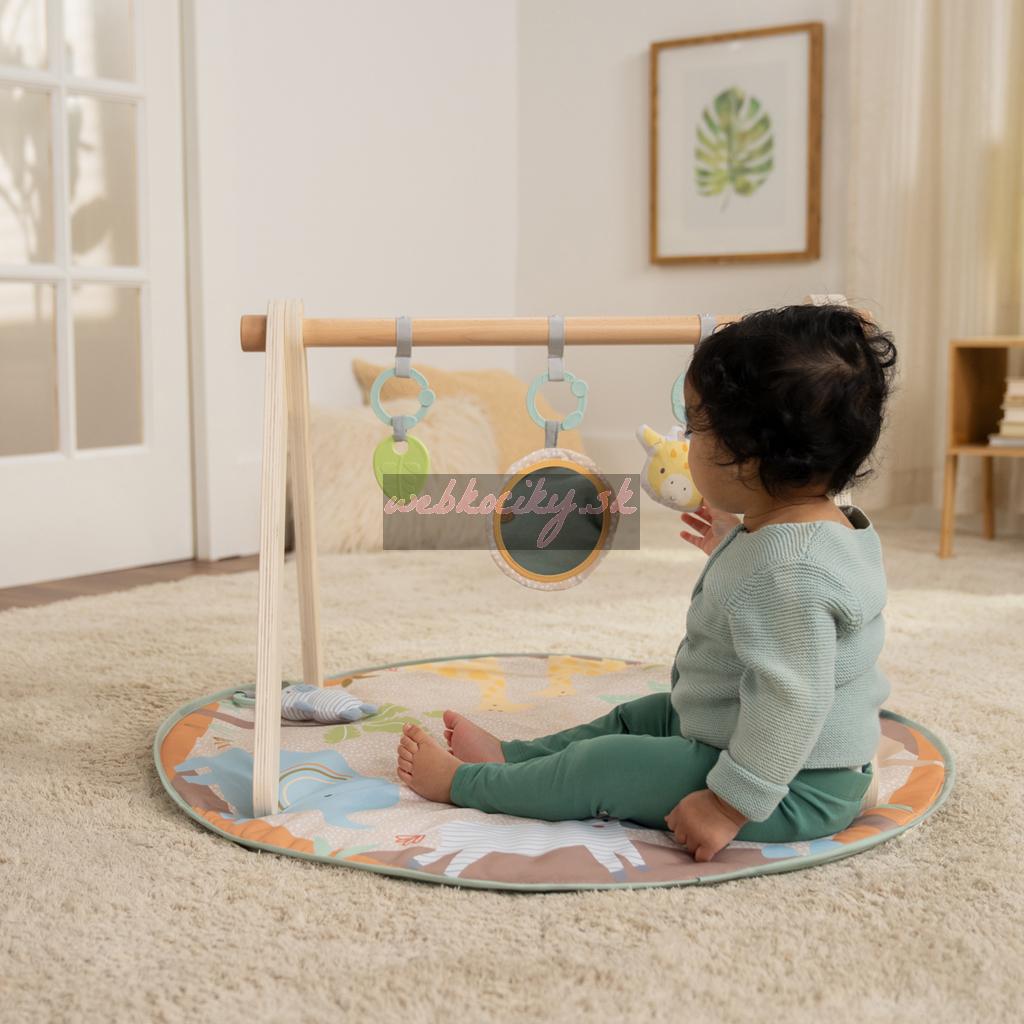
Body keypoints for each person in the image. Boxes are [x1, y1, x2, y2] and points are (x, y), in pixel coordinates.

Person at [395, 304, 898, 862]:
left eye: (696, 429)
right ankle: (512, 757)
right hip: (748, 732)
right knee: (644, 717)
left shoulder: (790, 573)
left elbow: (791, 703)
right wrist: (732, 542)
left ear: (746, 459)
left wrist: (727, 805)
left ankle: (465, 785)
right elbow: (782, 602)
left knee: (608, 765)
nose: (685, 440)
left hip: (792, 788)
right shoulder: (809, 530)